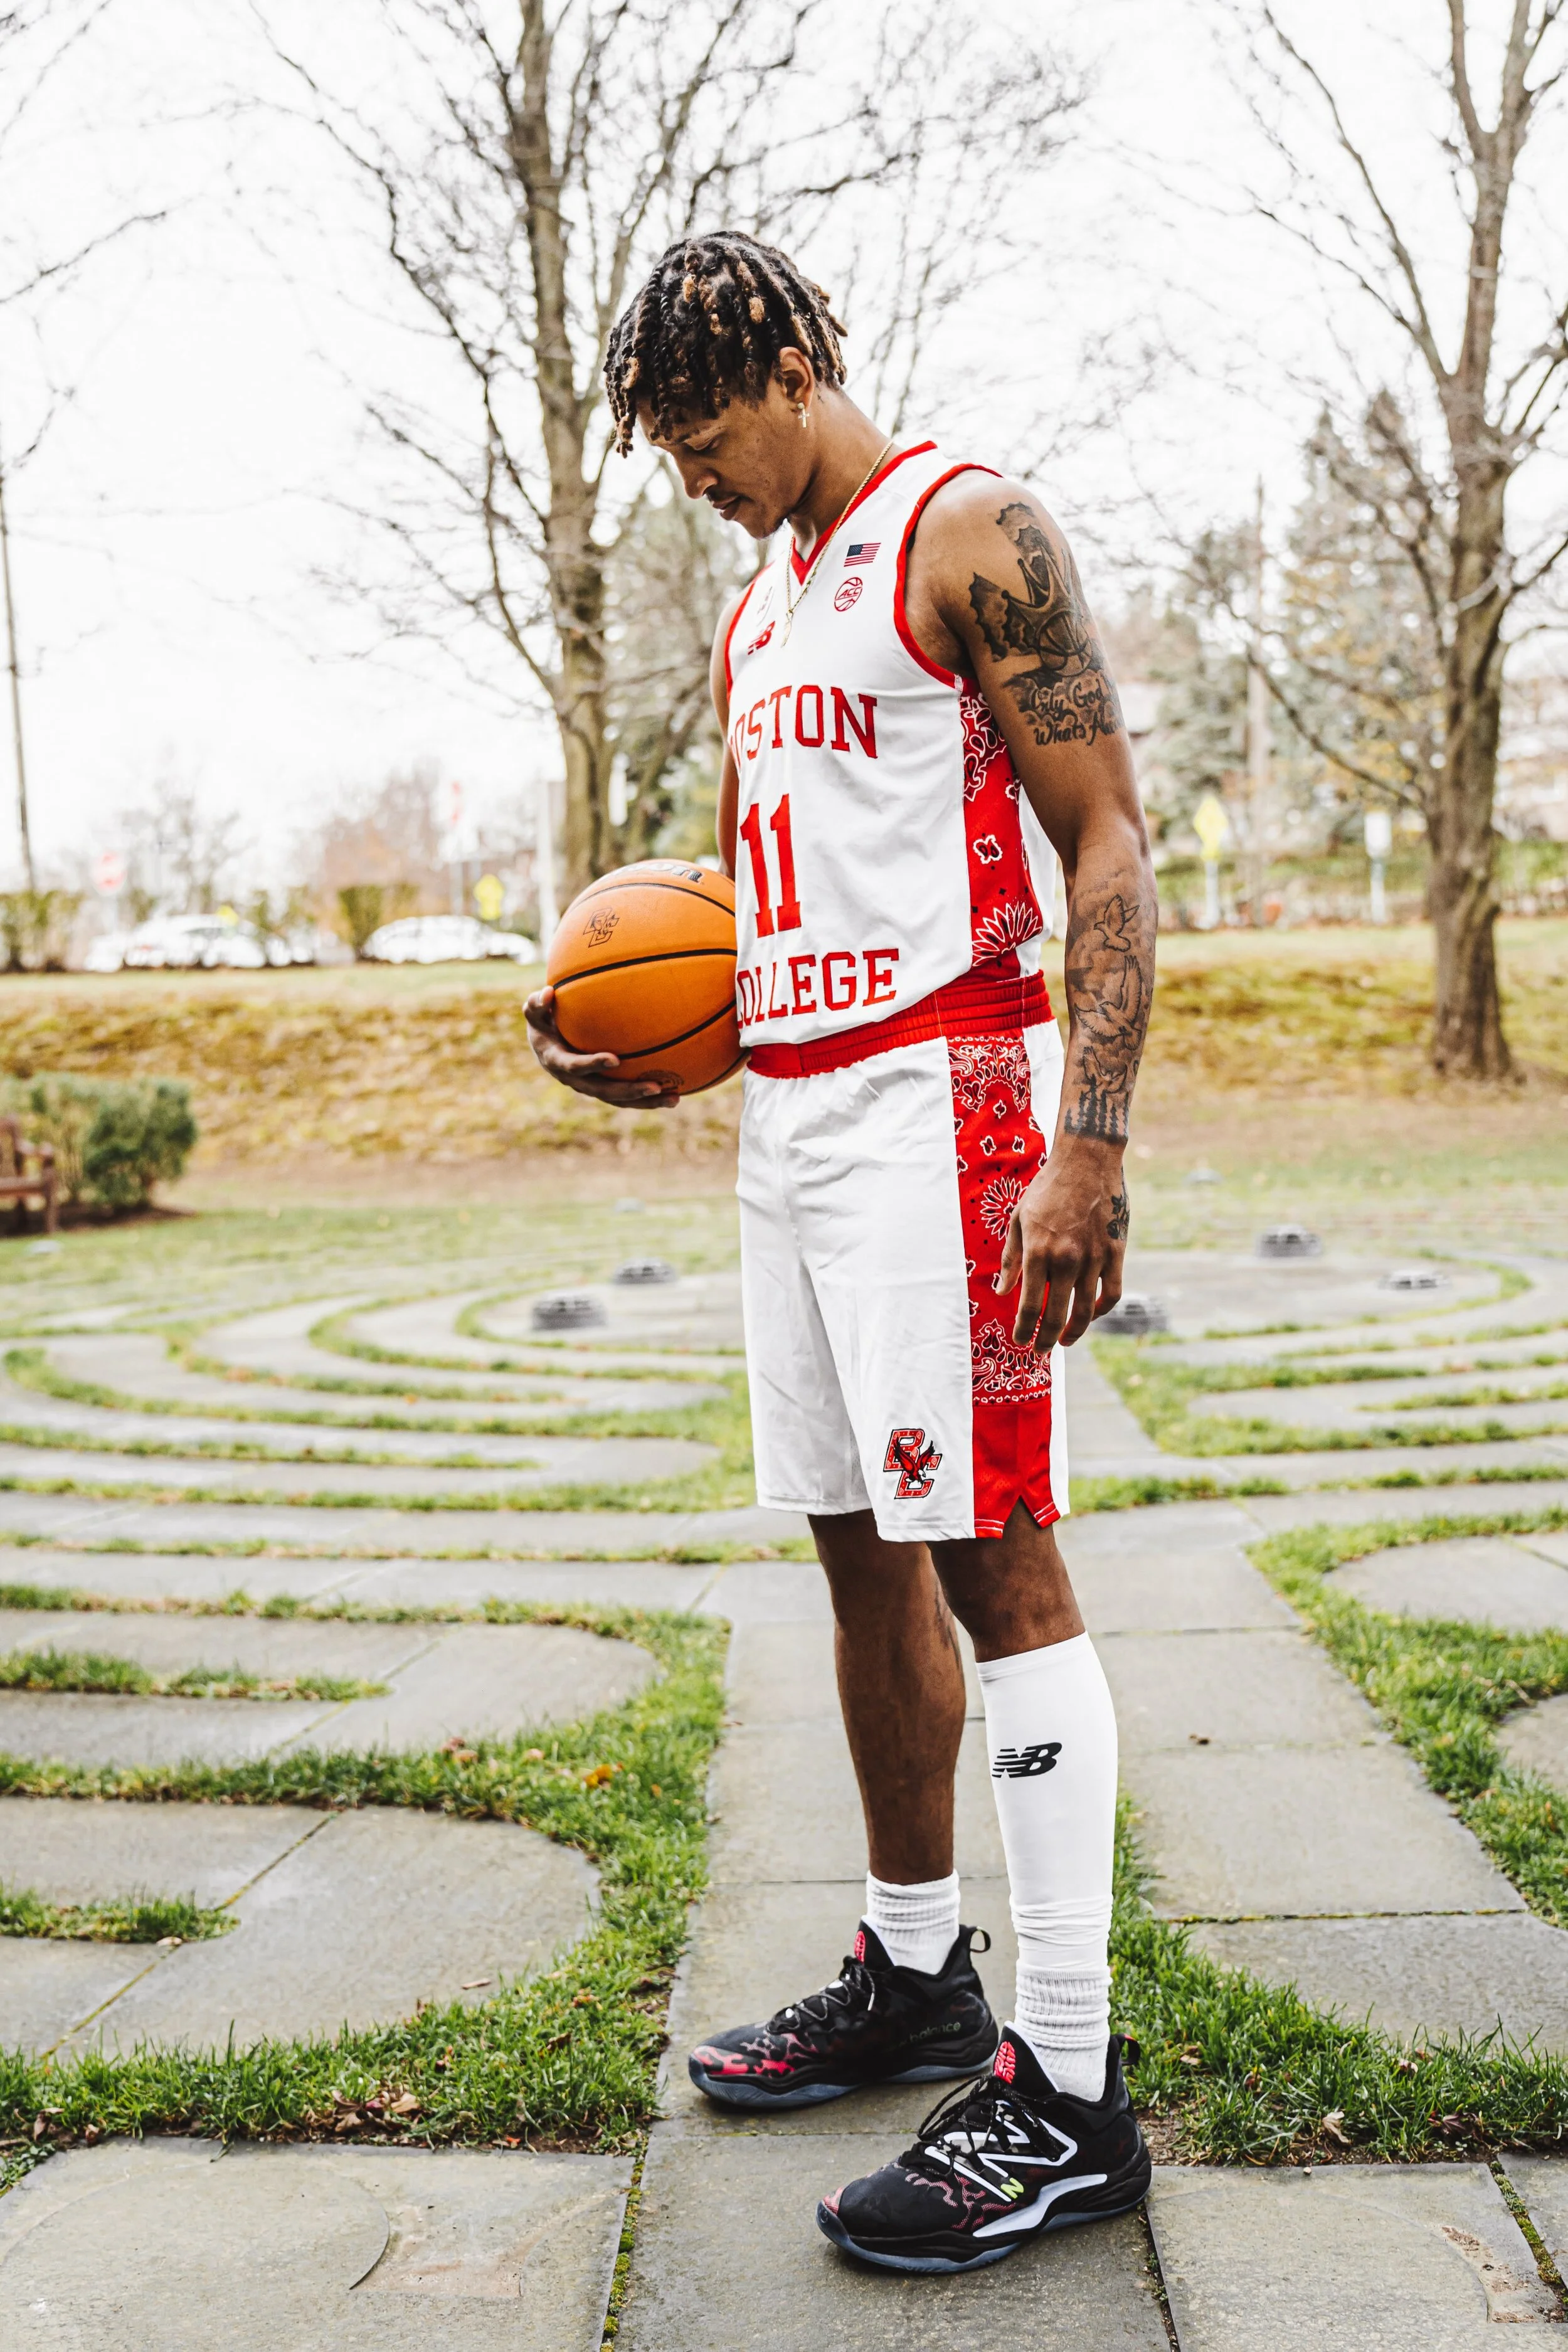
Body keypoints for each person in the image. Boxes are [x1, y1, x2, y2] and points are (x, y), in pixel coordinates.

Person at [527, 232, 1157, 2277]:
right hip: (792, 1116)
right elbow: (748, 902)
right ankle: (914, 1974)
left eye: (706, 435)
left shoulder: (962, 530)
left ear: (792, 362)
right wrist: (652, 1046)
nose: (693, 474)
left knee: (994, 1558)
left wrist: (1091, 1144)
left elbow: (1108, 843)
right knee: (847, 1538)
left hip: (946, 1106)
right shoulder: (756, 603)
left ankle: (1065, 2094)